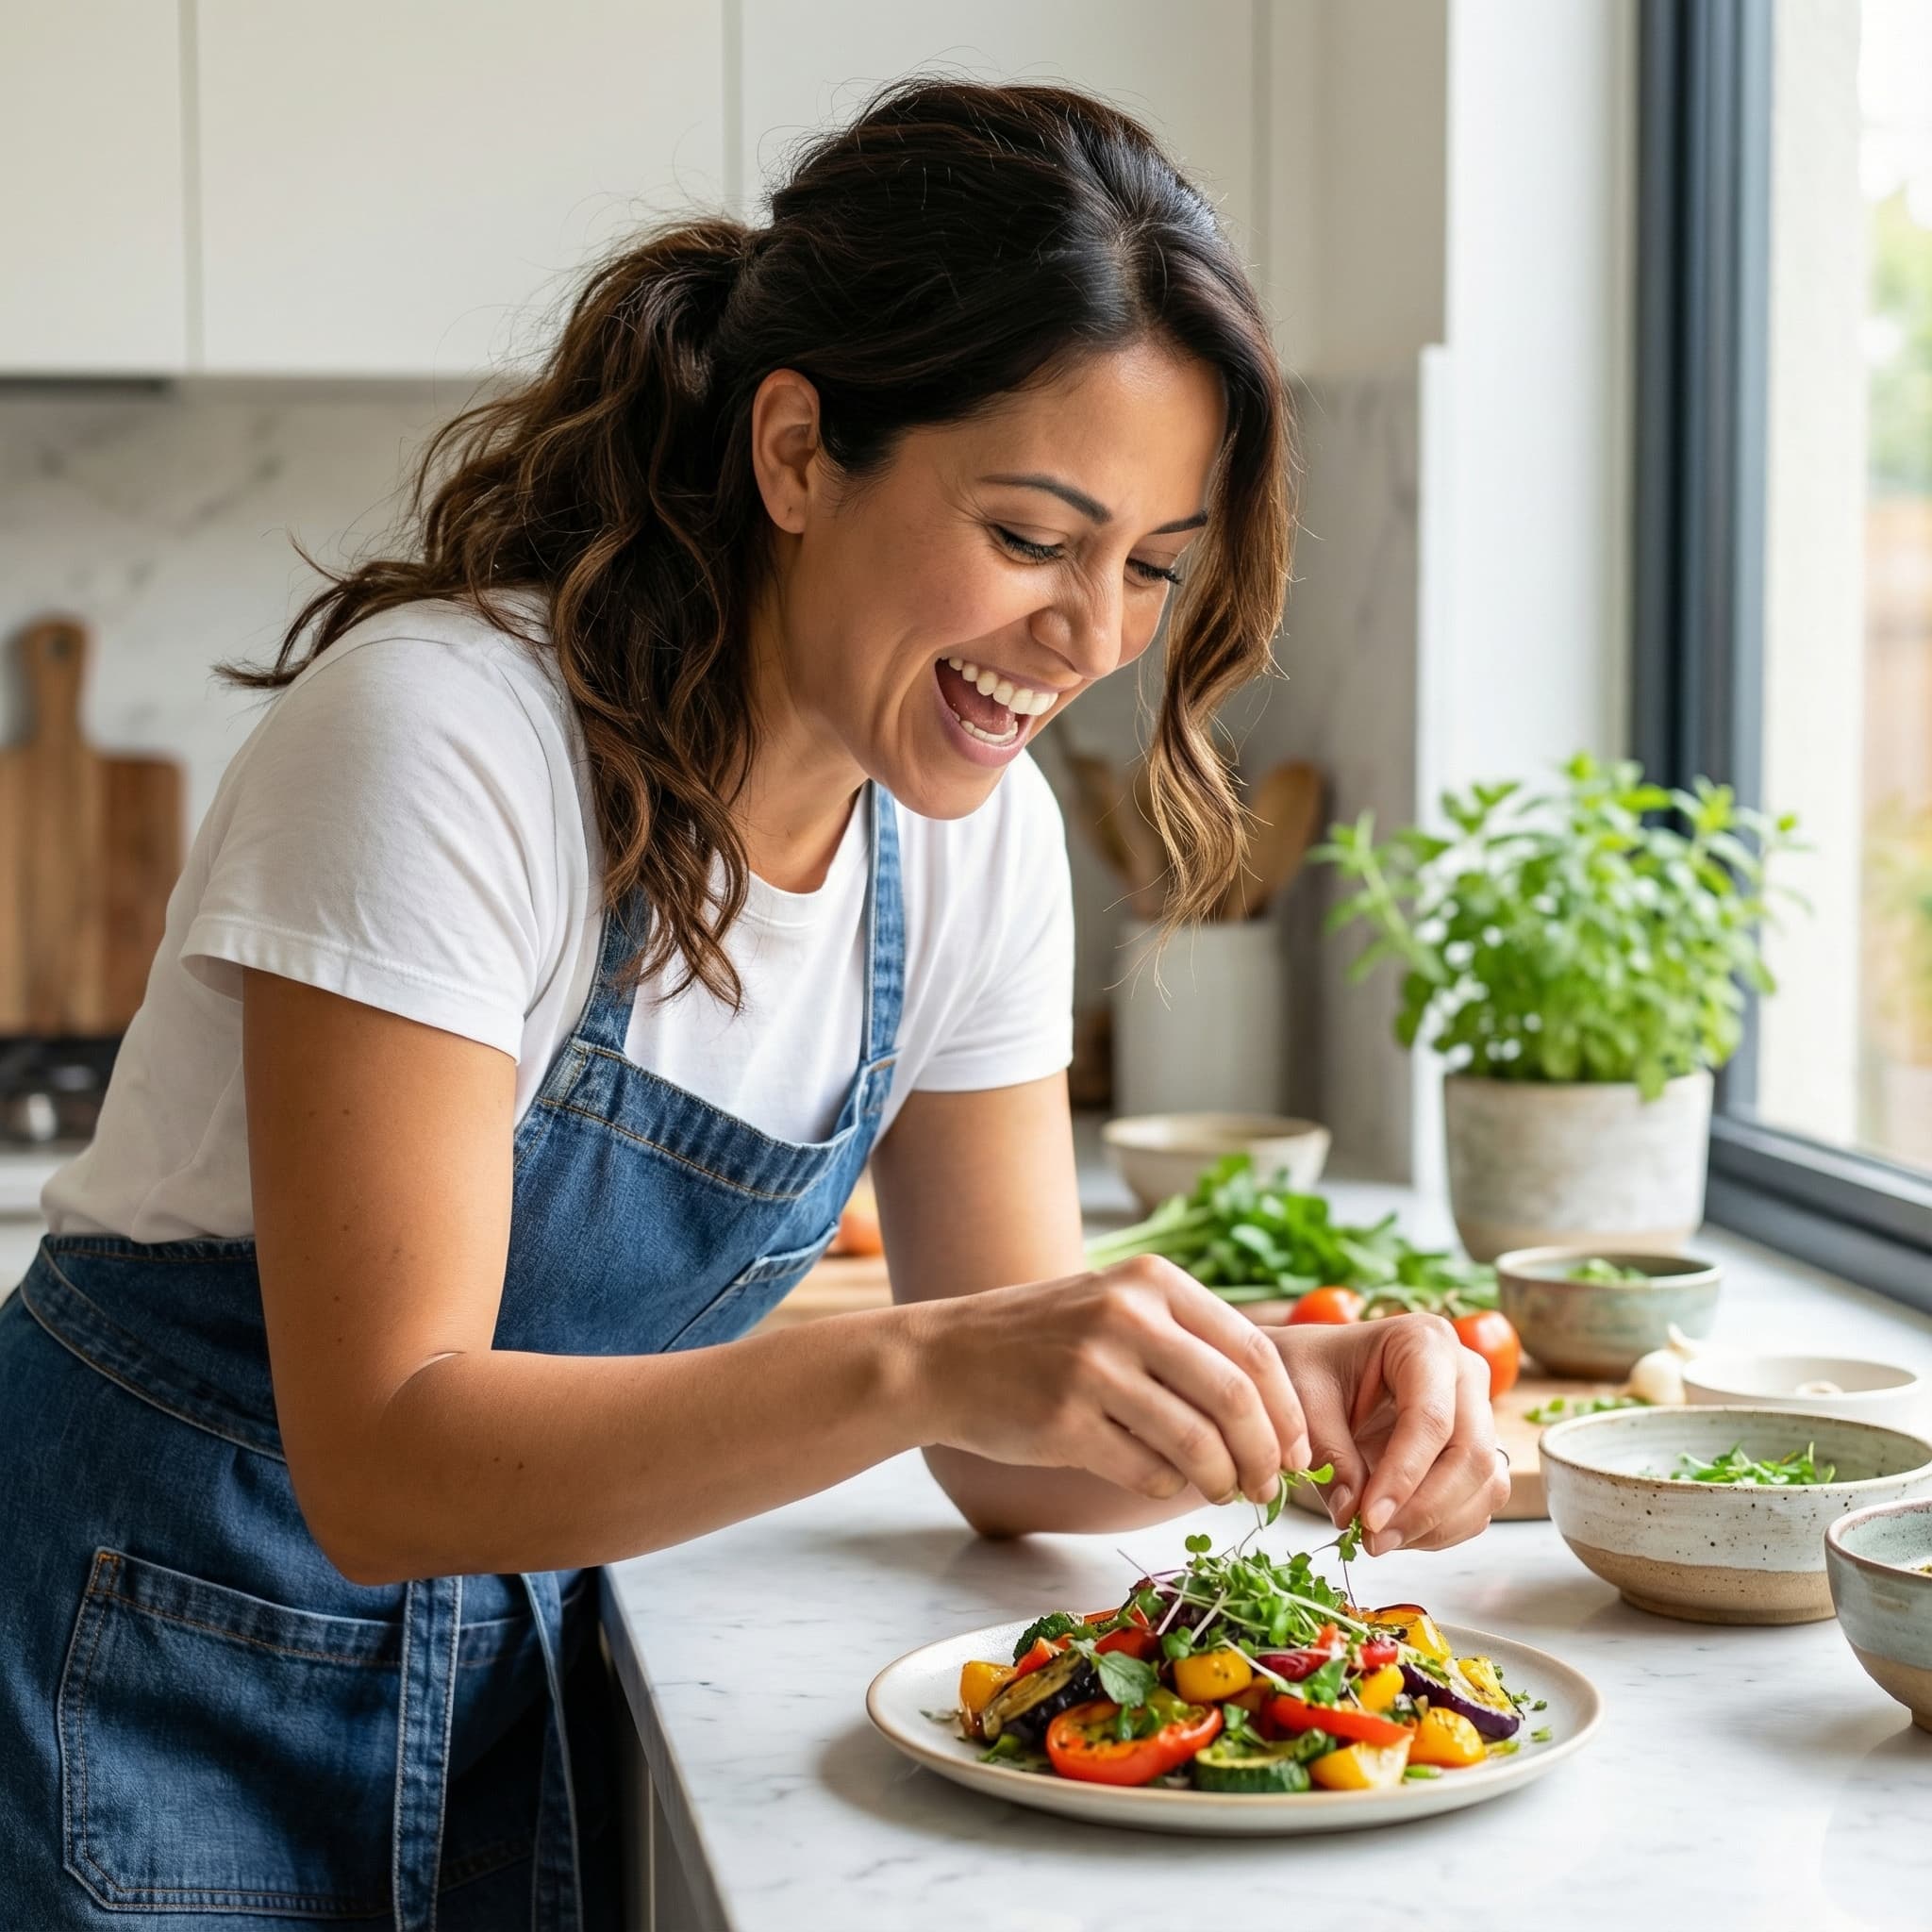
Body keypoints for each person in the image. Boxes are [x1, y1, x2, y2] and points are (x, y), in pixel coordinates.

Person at [0, 77, 1506, 1929]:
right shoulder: (443, 743)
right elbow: (383, 1462)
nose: (1091, 638)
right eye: (1035, 537)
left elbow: (999, 1440)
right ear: (797, 452)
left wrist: (1276, 1385)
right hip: (127, 1688)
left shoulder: (971, 848)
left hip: (502, 1703)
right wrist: (930, 1353)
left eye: (1150, 571)